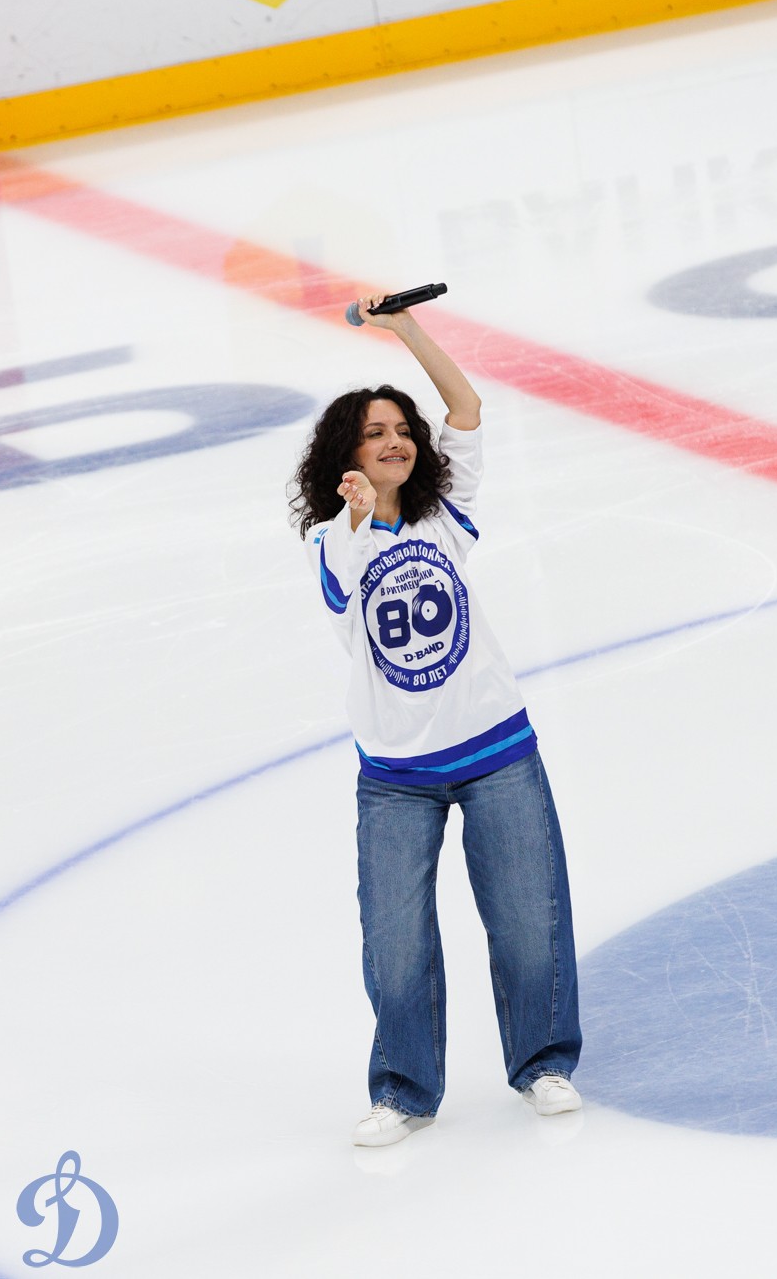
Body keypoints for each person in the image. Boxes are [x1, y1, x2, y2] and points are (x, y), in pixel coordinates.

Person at [287, 295, 582, 1147]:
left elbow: (467, 408)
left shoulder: (441, 513)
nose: (393, 441)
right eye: (373, 433)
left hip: (497, 750)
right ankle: (403, 1090)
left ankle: (543, 1063)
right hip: (395, 776)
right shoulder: (331, 537)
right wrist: (357, 508)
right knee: (394, 944)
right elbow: (345, 571)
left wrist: (406, 330)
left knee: (528, 922)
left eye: (400, 430)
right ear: (345, 454)